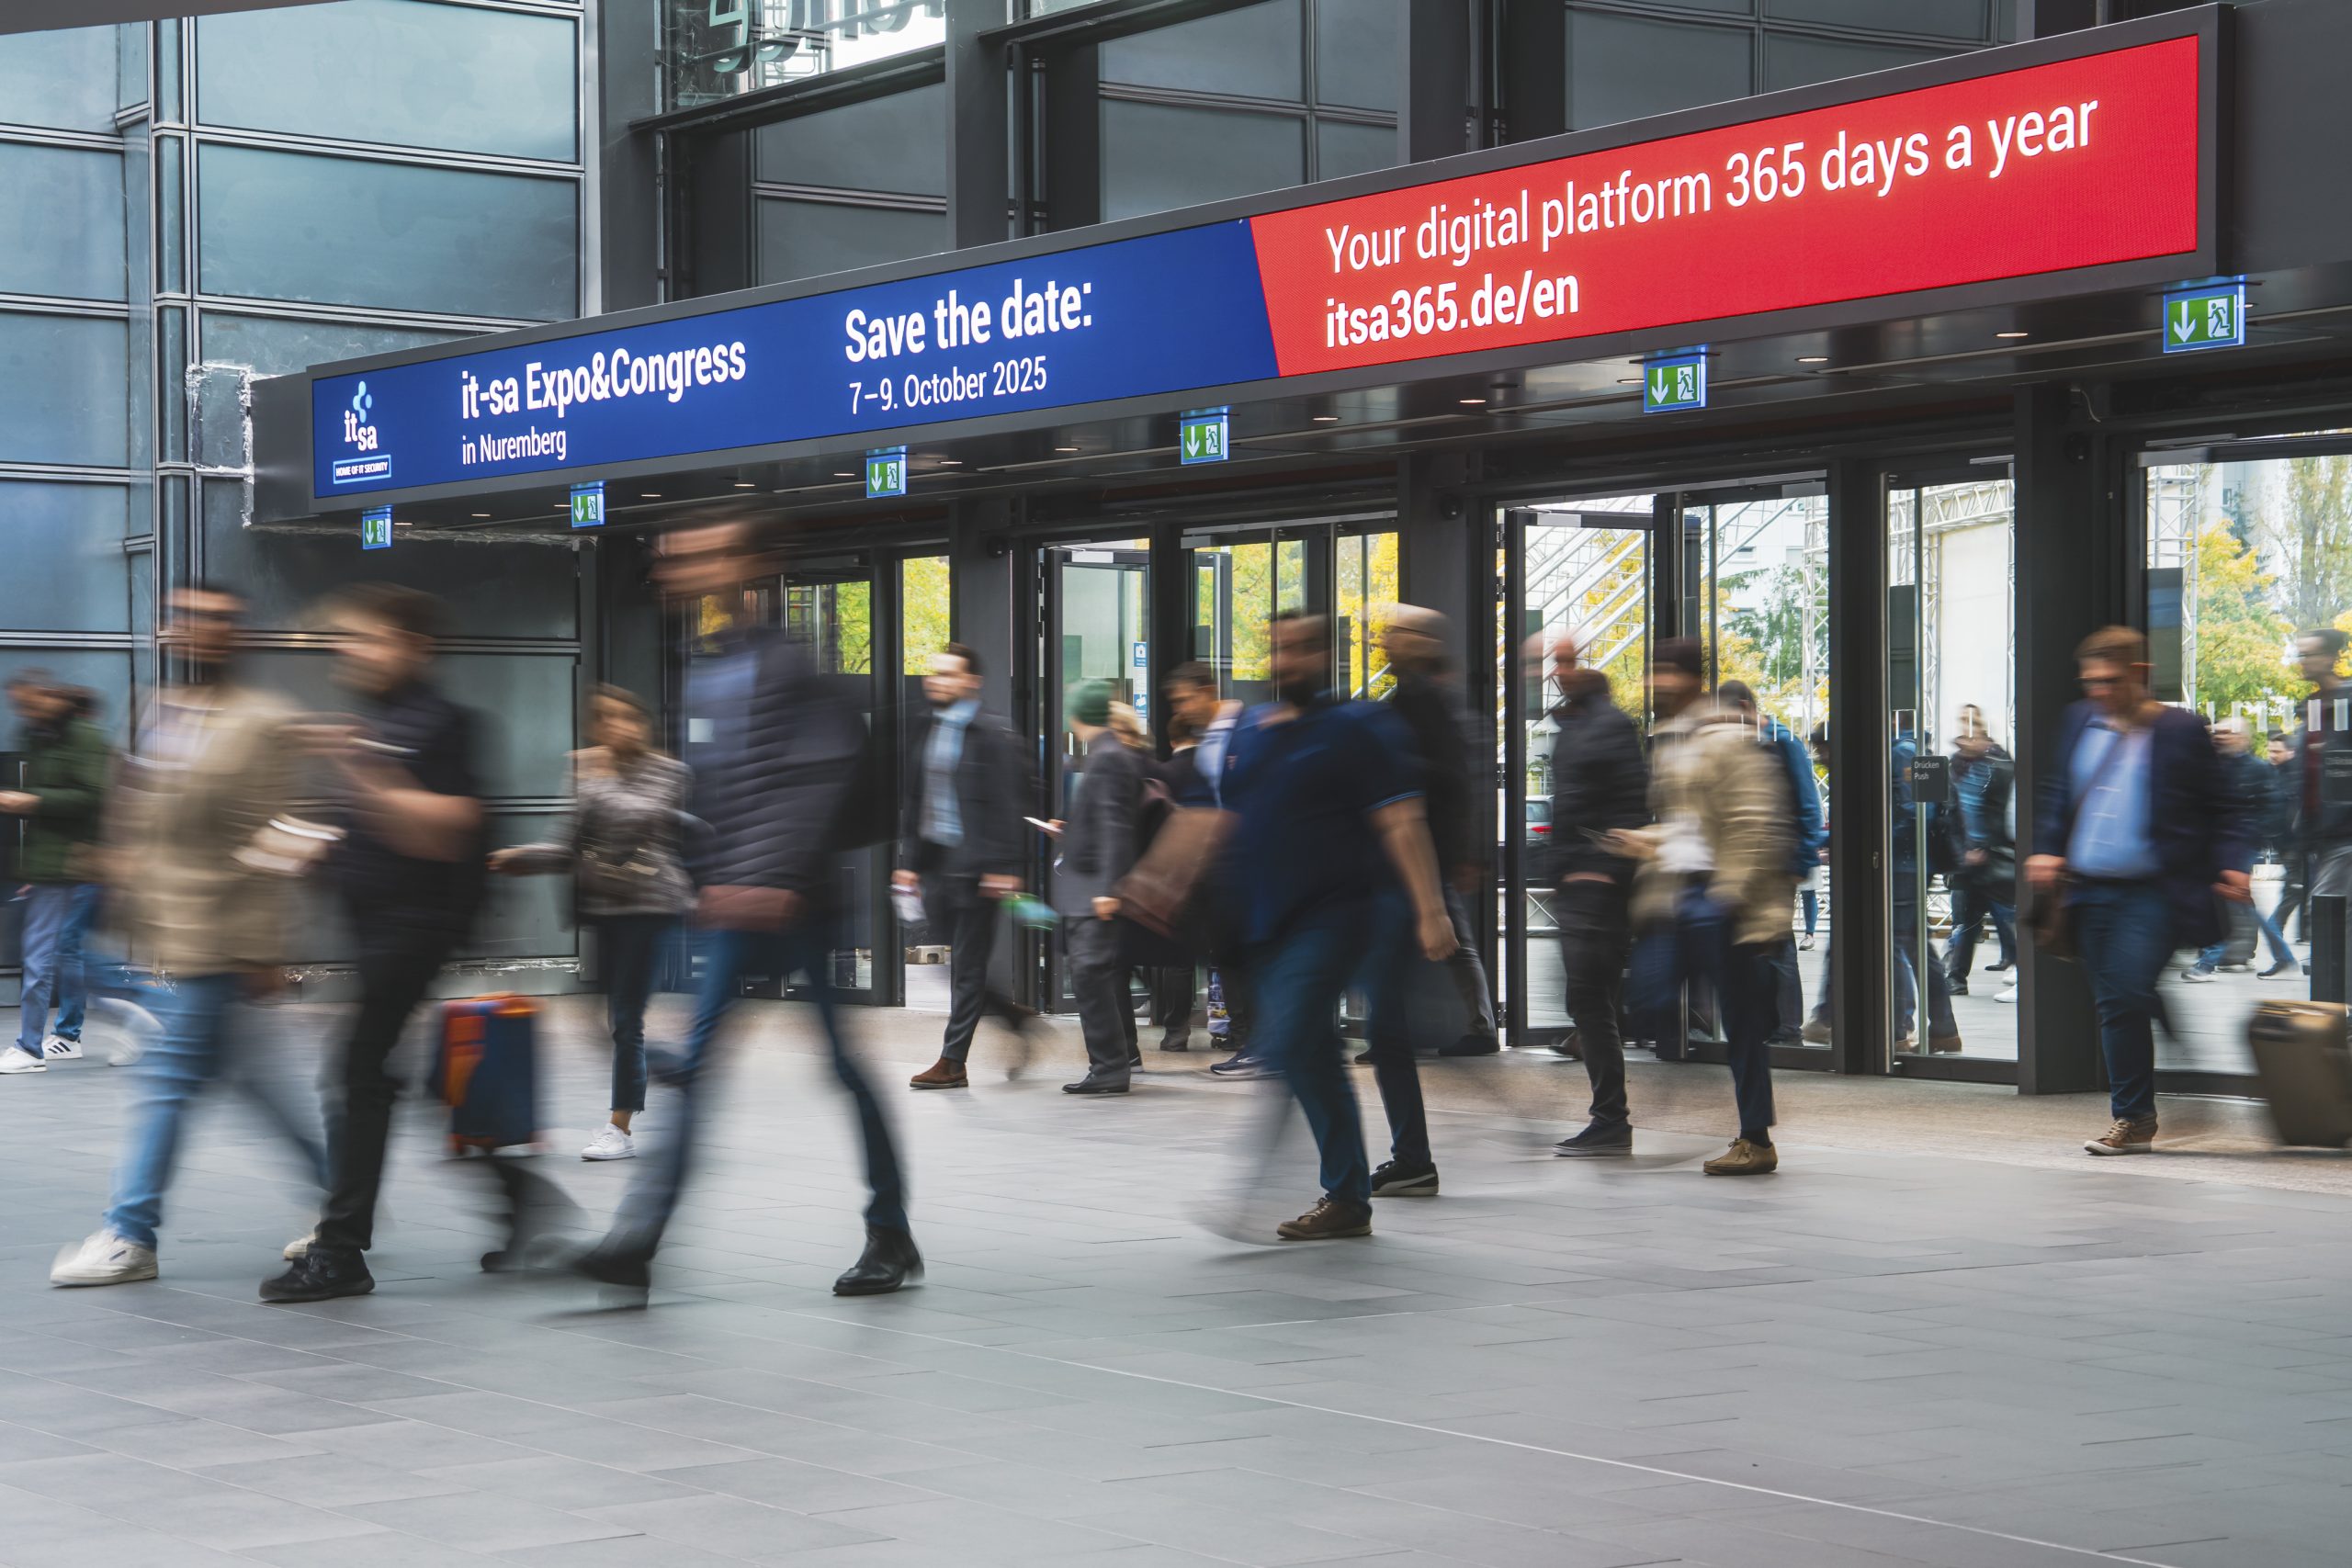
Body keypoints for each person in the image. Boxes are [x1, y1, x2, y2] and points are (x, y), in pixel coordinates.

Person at [574, 523, 916, 1295]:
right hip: (739, 901)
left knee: (842, 1068)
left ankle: (890, 1231)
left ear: (753, 565)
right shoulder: (709, 664)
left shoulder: (790, 663)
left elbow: (819, 778)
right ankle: (639, 1241)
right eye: (675, 556)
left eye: (701, 554)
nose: (677, 567)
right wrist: (710, 877)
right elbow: (723, 794)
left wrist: (769, 877)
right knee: (698, 1070)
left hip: (797, 902)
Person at [51, 584, 328, 1286]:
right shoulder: (159, 712)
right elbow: (140, 810)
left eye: (218, 621)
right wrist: (118, 872)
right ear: (171, 632)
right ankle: (343, 1196)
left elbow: (286, 833)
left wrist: (267, 946)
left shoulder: (267, 720)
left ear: (237, 636)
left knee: (163, 1081)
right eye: (188, 620)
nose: (201, 632)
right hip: (167, 931)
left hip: (224, 935)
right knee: (260, 1083)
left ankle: (130, 1232)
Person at [260, 584, 507, 1303]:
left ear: (411, 645)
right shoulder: (383, 720)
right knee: (397, 1080)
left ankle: (341, 1249)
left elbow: (444, 827)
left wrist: (360, 768)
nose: (351, 650)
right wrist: (315, 852)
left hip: (417, 927)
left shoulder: (443, 723)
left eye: (366, 638)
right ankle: (521, 1204)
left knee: (357, 1073)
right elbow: (374, 836)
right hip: (376, 925)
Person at [1224, 611, 1455, 1237]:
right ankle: (1348, 1197)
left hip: (1338, 914)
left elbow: (1402, 820)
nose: (1285, 661)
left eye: (1298, 649)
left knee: (1292, 1034)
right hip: (1268, 919)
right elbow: (1220, 820)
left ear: (1327, 654)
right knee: (1312, 1056)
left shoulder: (1358, 726)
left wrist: (1431, 910)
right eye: (1277, 648)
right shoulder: (1258, 731)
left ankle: (1253, 1186)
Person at [2029, 626, 2251, 1157]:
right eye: (2091, 682)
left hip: (2154, 890)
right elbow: (2060, 791)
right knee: (2117, 1002)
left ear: (2141, 674)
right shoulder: (2079, 720)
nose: (2099, 691)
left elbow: (2226, 807)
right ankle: (2137, 1118)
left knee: (2125, 993)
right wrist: (2046, 847)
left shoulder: (2179, 730)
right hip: (2088, 889)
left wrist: (2233, 864)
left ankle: (2135, 1112)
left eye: (2110, 680)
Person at [1612, 638, 1792, 1176]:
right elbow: (1688, 822)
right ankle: (1723, 1120)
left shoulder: (1727, 740)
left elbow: (1753, 820)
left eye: (1660, 674)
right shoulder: (1670, 740)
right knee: (1645, 993)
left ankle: (1755, 1137)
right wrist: (1647, 840)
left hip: (1720, 898)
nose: (1651, 684)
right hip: (1682, 893)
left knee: (1740, 1023)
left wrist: (1731, 894)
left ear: (1689, 678)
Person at [491, 684, 693, 1160]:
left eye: (628, 718)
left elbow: (636, 819)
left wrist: (594, 774)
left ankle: (619, 1128)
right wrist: (520, 857)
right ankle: (681, 1072)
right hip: (605, 909)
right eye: (607, 718)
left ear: (644, 725)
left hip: (652, 906)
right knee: (600, 1024)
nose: (618, 727)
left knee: (625, 1020)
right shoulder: (588, 771)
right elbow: (568, 843)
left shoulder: (668, 771)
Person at [899, 643, 1037, 1091]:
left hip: (979, 868)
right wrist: (911, 865)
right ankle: (1013, 1015)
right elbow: (918, 801)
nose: (937, 680)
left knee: (967, 968)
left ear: (971, 682)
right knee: (946, 962)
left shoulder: (992, 734)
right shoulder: (928, 728)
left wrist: (1004, 864)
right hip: (940, 863)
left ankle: (952, 1060)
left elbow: (1011, 800)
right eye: (935, 673)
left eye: (948, 674)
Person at [1541, 633, 1650, 1158]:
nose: (1557, 670)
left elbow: (1628, 807)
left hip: (1595, 887)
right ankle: (1609, 1118)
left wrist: (1601, 872)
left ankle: (1611, 1120)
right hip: (1580, 884)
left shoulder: (1609, 726)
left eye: (1565, 660)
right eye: (1553, 662)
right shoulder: (1578, 725)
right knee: (1588, 1001)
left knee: (1591, 1001)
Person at [1379, 606, 1499, 1056]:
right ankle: (1413, 1031)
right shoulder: (1407, 700)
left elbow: (1456, 782)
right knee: (1422, 940)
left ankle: (1479, 1027)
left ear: (1424, 643)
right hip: (1414, 842)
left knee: (1450, 939)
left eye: (1397, 633)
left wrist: (1466, 853)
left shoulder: (1430, 704)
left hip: (1429, 844)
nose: (1386, 640)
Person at [0, 670, 109, 1074]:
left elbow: (92, 799)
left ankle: (37, 1045)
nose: (24, 712)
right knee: (63, 954)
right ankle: (62, 1036)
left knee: (53, 955)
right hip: (52, 867)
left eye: (30, 703)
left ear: (52, 696)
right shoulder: (36, 736)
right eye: (20, 705)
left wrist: (30, 801)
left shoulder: (84, 738)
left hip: (78, 866)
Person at [1716, 681, 1822, 1047]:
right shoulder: (1752, 743)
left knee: (1778, 944)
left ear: (1746, 706)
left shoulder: (1782, 742)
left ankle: (1787, 1029)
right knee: (1762, 944)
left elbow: (1809, 804)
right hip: (1751, 863)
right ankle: (1771, 1025)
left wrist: (1801, 859)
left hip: (1778, 862)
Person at [1056, 682, 1148, 1094]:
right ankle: (1108, 1065)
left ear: (1077, 716)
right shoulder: (1106, 754)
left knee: (1090, 977)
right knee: (1091, 976)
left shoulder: (1108, 757)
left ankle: (1110, 1067)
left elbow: (1116, 828)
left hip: (1096, 891)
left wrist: (1111, 888)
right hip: (1088, 888)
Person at [1164, 662, 1255, 1067]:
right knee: (1232, 958)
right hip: (1224, 875)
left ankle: (1259, 1041)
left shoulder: (1250, 731)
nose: (1181, 711)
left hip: (1252, 869)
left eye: (1184, 700)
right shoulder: (1208, 745)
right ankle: (1250, 1040)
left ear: (1207, 690)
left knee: (1246, 959)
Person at [2185, 716, 2296, 983]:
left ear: (2243, 738)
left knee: (2233, 901)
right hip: (2219, 845)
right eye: (2219, 732)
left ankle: (2208, 962)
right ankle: (2283, 957)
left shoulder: (2256, 769)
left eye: (2228, 733)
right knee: (2239, 904)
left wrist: (2254, 836)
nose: (2221, 737)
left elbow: (2273, 806)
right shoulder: (2212, 766)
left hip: (2238, 845)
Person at [1891, 724, 1962, 1054]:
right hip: (1918, 862)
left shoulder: (1902, 753)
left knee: (1894, 946)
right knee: (1916, 946)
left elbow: (1917, 813)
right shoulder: (1924, 754)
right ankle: (1943, 1028)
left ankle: (1896, 1030)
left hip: (1903, 862)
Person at [1945, 705, 2018, 997]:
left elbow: (2007, 809)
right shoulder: (1956, 764)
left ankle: (2018, 965)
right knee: (1968, 919)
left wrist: (1989, 846)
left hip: (1996, 853)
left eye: (1972, 722)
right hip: (1968, 856)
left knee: (2005, 915)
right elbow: (1951, 810)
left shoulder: (1999, 762)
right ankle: (1956, 977)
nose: (1967, 729)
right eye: (1963, 722)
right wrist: (1962, 850)